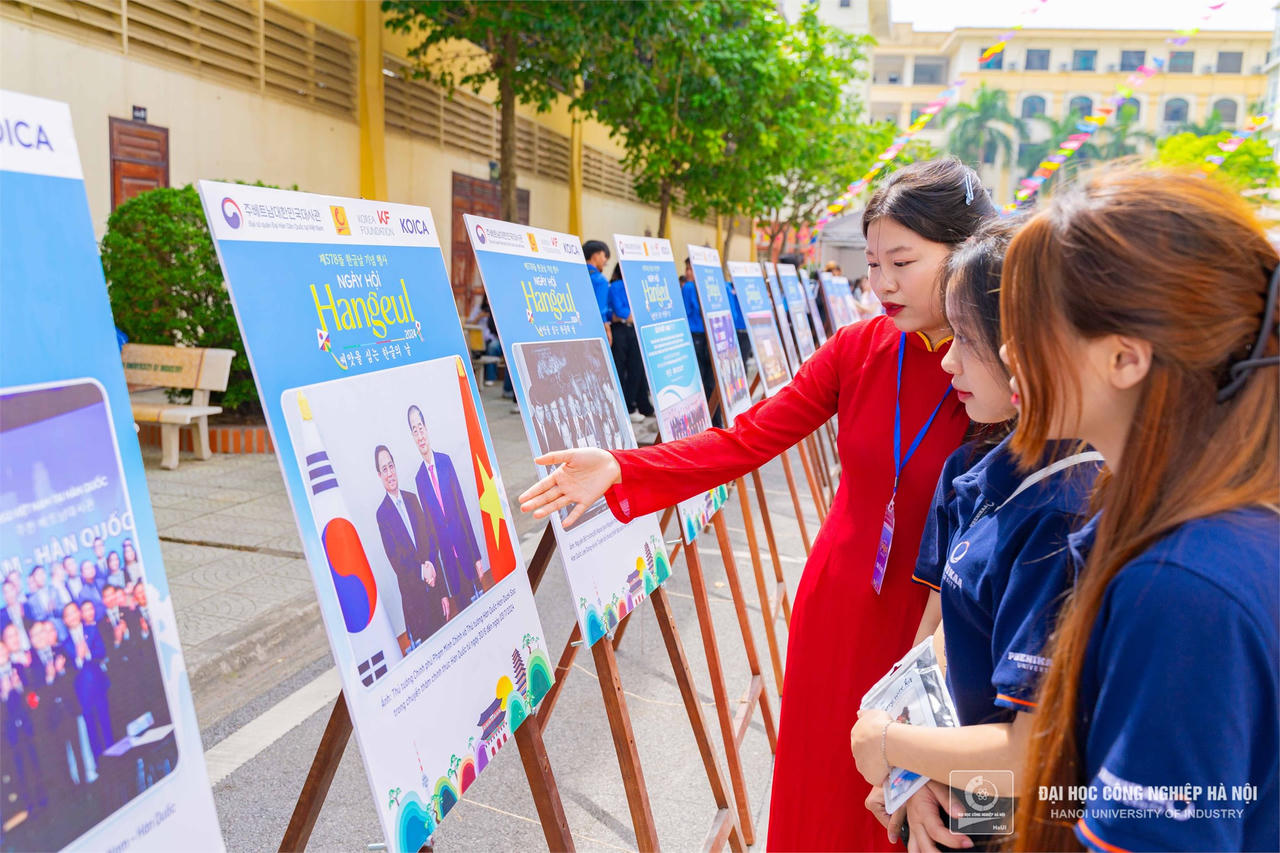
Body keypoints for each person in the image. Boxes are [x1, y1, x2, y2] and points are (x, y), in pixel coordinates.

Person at [519, 158, 996, 851]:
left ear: (966, 253)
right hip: (838, 610)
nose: (882, 283)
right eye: (872, 262)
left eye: (903, 261)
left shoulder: (998, 372)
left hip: (938, 629)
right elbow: (745, 439)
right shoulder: (858, 349)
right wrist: (621, 465)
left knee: (914, 813)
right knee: (819, 794)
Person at [996, 170, 1278, 852]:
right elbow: (1090, 792)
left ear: (1124, 357)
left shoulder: (1184, 587)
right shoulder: (1204, 536)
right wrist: (956, 802)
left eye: (1029, 326)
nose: (1010, 350)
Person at [847, 220, 1101, 848]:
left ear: (1028, 346)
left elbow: (1032, 758)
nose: (948, 356)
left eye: (965, 336)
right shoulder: (977, 470)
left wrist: (883, 742)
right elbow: (936, 641)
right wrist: (916, 777)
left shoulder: (1063, 515)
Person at [408, 405, 487, 610]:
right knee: (464, 610)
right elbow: (430, 532)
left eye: (420, 427)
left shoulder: (445, 462)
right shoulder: (419, 479)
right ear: (413, 437)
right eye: (414, 430)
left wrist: (477, 556)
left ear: (426, 428)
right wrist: (441, 588)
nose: (419, 434)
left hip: (466, 552)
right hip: (449, 563)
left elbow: (462, 510)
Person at [373, 444, 447, 647]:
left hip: (434, 592)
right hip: (416, 604)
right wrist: (422, 571)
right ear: (379, 475)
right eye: (384, 469)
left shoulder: (412, 499)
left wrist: (441, 591)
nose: (389, 473)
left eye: (391, 466)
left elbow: (431, 540)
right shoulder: (382, 515)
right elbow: (396, 560)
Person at [61, 601, 113, 758]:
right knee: (91, 727)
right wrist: (78, 658)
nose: (72, 616)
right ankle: (100, 761)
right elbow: (68, 672)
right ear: (64, 620)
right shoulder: (64, 645)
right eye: (67, 615)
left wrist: (88, 653)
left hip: (100, 687)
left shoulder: (92, 630)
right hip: (83, 696)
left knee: (107, 721)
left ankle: (115, 752)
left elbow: (102, 651)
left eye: (74, 612)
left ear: (79, 613)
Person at [606, 263, 655, 423]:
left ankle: (632, 405)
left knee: (636, 369)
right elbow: (620, 311)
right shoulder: (617, 286)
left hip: (634, 330)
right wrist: (630, 315)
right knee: (621, 369)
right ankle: (625, 408)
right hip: (620, 330)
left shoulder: (636, 286)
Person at [683, 258, 722, 428]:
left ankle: (701, 422)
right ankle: (716, 422)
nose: (687, 273)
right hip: (713, 336)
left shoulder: (690, 287)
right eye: (686, 269)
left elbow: (684, 312)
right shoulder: (715, 286)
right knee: (712, 382)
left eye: (690, 269)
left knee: (697, 383)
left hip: (696, 336)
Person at [583, 239, 614, 345]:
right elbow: (600, 311)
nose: (605, 261)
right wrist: (607, 329)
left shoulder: (575, 275)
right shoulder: (600, 280)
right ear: (595, 255)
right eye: (605, 256)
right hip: (593, 330)